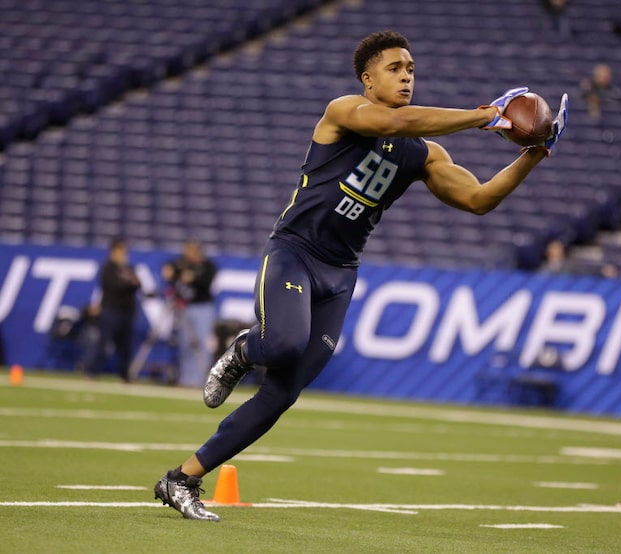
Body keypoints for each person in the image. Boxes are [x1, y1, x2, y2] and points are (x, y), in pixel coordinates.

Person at [153, 30, 568, 521]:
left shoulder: (424, 153)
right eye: (395, 68)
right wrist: (486, 116)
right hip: (295, 253)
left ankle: (182, 480)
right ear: (368, 80)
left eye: (411, 69)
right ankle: (246, 348)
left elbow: (479, 199)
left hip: (340, 274)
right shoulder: (345, 111)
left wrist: (533, 152)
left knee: (283, 394)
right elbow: (393, 124)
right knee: (282, 344)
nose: (407, 76)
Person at [161, 239, 218, 388]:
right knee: (185, 343)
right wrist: (170, 271)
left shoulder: (207, 266)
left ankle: (201, 379)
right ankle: (186, 379)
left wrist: (193, 278)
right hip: (185, 307)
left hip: (202, 307)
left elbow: (206, 281)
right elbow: (170, 270)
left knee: (201, 343)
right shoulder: (183, 264)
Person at [85, 237, 142, 382]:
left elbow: (137, 284)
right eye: (120, 250)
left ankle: (124, 374)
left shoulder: (128, 268)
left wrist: (128, 282)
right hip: (111, 310)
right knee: (104, 342)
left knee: (125, 346)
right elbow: (115, 286)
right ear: (113, 252)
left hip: (127, 311)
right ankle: (91, 371)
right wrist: (128, 283)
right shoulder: (108, 268)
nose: (123, 254)